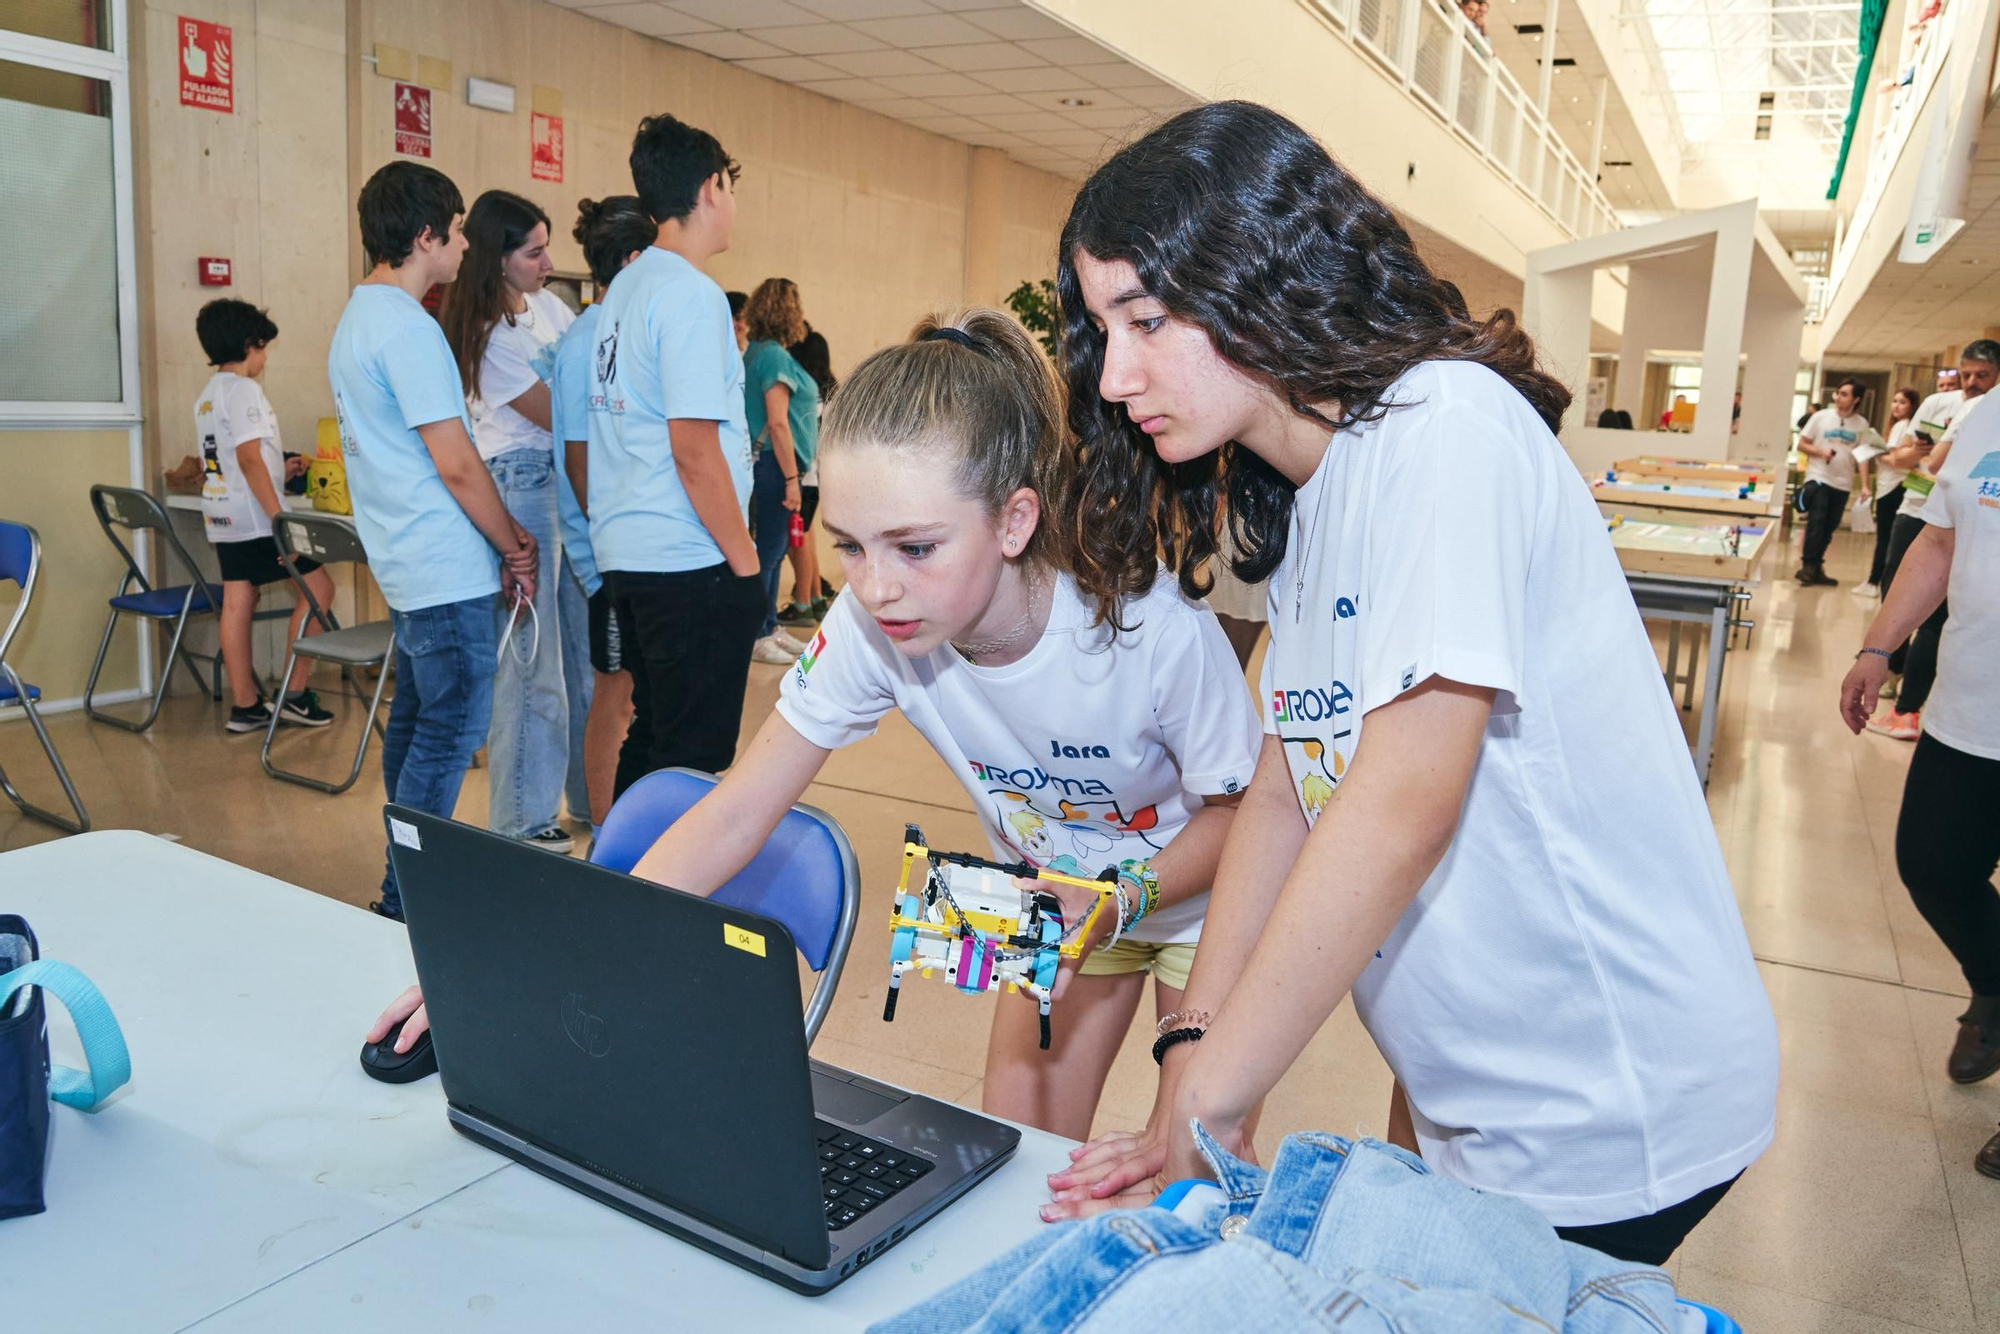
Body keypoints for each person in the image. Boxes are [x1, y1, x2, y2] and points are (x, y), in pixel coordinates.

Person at [1040, 101, 1777, 1265]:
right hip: (1474, 1087)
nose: (1119, 373)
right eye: (1102, 329)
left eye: (1148, 317)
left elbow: (1395, 806)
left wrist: (1213, 1104)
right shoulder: (1303, 487)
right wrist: (1190, 1050)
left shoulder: (1443, 428)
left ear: (1257, 273)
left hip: (1604, 1088)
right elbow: (1287, 789)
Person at [366, 309, 1263, 1142]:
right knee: (1018, 1160)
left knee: (1192, 1160)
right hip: (1059, 898)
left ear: (1014, 519)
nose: (874, 587)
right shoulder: (873, 623)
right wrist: (518, 966)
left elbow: (1241, 815)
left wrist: (1122, 901)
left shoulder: (1149, 633)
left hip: (1197, 897)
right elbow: (733, 813)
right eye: (848, 545)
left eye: (916, 547)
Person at [328, 161, 537, 920]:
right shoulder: (408, 329)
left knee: (417, 723)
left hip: (408, 561)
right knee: (449, 732)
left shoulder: (356, 320)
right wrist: (514, 540)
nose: (461, 249)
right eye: (454, 234)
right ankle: (406, 895)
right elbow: (456, 462)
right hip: (443, 565)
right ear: (425, 236)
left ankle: (405, 872)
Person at [1838, 378, 2000, 1183]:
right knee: (1933, 863)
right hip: (1974, 702)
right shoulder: (1985, 416)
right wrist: (1879, 649)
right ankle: (1996, 987)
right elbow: (1939, 542)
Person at [586, 114, 763, 796]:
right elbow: (693, 449)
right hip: (688, 560)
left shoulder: (628, 286)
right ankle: (659, 895)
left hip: (631, 553)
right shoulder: (690, 296)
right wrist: (745, 564)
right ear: (712, 187)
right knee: (691, 755)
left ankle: (620, 884)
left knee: (655, 734)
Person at [439, 191, 581, 853]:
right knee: (533, 662)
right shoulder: (490, 335)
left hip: (567, 483)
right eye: (534, 251)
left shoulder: (551, 310)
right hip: (521, 485)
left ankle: (587, 792)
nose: (549, 262)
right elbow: (566, 414)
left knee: (583, 658)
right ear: (497, 260)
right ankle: (523, 821)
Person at [552, 196, 655, 840]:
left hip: (633, 553)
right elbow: (580, 461)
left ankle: (620, 817)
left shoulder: (624, 328)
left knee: (631, 699)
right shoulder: (589, 339)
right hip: (606, 561)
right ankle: (604, 827)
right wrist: (613, 558)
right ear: (635, 258)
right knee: (611, 699)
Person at [191, 299, 335, 733]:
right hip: (259, 519)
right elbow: (250, 458)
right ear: (250, 344)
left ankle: (246, 706)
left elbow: (236, 459)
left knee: (238, 600)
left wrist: (280, 468)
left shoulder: (207, 396)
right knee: (320, 591)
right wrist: (281, 521)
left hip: (224, 514)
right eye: (264, 348)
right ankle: (293, 695)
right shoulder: (245, 390)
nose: (265, 358)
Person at [1870, 350, 1993, 739]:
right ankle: (1900, 683)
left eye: (1982, 374)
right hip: (1920, 513)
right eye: (1966, 374)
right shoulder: (1977, 411)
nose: (1971, 382)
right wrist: (1874, 651)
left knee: (1934, 623)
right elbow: (1906, 459)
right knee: (1903, 594)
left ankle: (1907, 705)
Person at [740, 278, 820, 666]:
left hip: (773, 465)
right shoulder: (772, 357)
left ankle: (769, 624)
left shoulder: (759, 352)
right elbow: (778, 423)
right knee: (769, 553)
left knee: (771, 551)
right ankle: (757, 632)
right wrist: (792, 479)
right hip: (774, 465)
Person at [779, 322, 839, 629]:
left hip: (805, 477)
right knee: (806, 537)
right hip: (819, 481)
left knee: (795, 541)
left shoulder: (805, 393)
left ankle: (802, 602)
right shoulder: (830, 390)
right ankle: (814, 596)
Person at [1794, 377, 1870, 586]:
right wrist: (1821, 452)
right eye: (1838, 393)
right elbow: (1801, 444)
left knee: (1829, 527)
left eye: (1845, 394)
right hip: (1819, 477)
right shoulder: (1820, 417)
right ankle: (1808, 567)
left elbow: (1863, 456)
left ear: (1856, 399)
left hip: (1843, 483)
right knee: (1816, 522)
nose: (1838, 398)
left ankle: (1817, 567)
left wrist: (1865, 485)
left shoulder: (1861, 424)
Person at [1856, 386, 1919, 597]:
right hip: (1889, 486)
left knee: (1885, 538)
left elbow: (1896, 460)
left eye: (1902, 402)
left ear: (1912, 406)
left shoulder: (1904, 426)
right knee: (1886, 537)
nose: (1896, 406)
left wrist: (1878, 454)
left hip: (1894, 487)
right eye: (1894, 401)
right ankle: (1877, 581)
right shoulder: (1899, 426)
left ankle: (1875, 581)